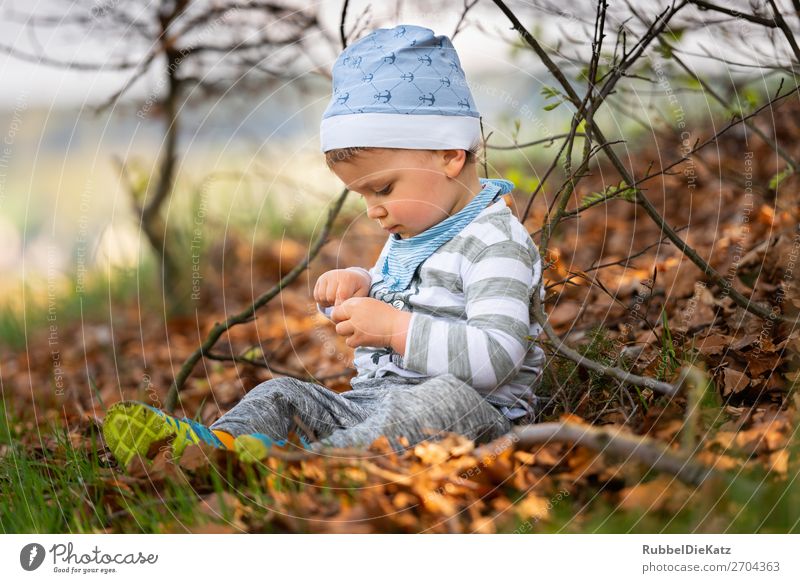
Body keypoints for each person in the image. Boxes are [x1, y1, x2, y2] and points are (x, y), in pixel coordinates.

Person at [102, 24, 545, 467]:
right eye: (363, 196)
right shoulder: (414, 229)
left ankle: (309, 466)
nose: (374, 210)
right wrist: (361, 283)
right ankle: (219, 451)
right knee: (281, 393)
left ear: (450, 154)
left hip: (478, 415)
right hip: (373, 404)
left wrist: (395, 329)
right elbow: (410, 292)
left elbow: (496, 355)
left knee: (440, 400)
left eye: (384, 188)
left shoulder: (495, 243)